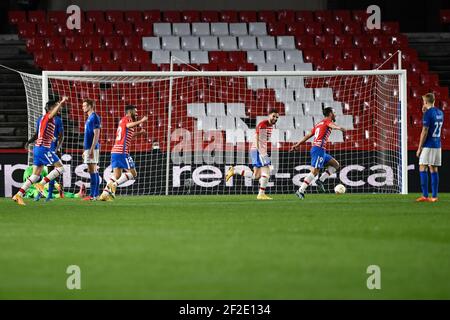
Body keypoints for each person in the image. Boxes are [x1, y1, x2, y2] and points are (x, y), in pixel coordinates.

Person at [12, 97, 68, 205]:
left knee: (35, 175)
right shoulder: (49, 117)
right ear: (50, 109)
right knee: (60, 168)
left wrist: (30, 142)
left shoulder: (43, 119)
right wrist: (61, 102)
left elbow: (40, 134)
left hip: (38, 148)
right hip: (43, 149)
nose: (58, 109)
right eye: (55, 107)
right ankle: (41, 184)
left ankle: (18, 195)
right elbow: (52, 113)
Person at [290, 107, 346, 200]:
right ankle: (300, 190)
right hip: (318, 149)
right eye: (334, 112)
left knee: (335, 164)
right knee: (315, 171)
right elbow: (332, 125)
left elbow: (308, 135)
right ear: (330, 113)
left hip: (321, 150)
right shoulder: (327, 121)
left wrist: (297, 144)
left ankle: (320, 181)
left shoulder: (318, 124)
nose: (335, 114)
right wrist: (339, 128)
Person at [226, 109, 279, 200]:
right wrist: (262, 154)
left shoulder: (270, 126)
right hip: (258, 150)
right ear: (269, 115)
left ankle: (234, 170)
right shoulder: (263, 125)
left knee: (256, 176)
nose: (275, 118)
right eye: (273, 116)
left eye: (277, 117)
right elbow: (257, 139)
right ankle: (261, 194)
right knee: (266, 172)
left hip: (257, 150)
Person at [99, 105, 147, 201]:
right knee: (133, 173)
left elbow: (128, 133)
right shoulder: (128, 119)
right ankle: (114, 185)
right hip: (122, 151)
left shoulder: (122, 120)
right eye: (135, 111)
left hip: (115, 150)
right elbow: (129, 125)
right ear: (129, 112)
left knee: (117, 175)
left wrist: (140, 133)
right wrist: (142, 121)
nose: (137, 113)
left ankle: (104, 194)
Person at [416, 93, 444, 202]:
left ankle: (425, 195)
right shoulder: (440, 112)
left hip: (428, 145)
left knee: (422, 167)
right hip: (437, 144)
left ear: (426, 102)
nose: (423, 103)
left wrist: (420, 147)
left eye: (423, 101)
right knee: (434, 169)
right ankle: (435, 196)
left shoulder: (428, 113)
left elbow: (425, 131)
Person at [81, 98, 102, 201]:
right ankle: (95, 194)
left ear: (90, 106)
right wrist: (85, 150)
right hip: (88, 148)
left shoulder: (94, 117)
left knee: (93, 170)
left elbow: (96, 134)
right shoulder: (89, 117)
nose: (83, 107)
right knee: (92, 170)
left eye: (85, 105)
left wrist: (91, 149)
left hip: (92, 148)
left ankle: (93, 195)